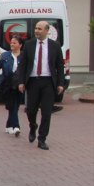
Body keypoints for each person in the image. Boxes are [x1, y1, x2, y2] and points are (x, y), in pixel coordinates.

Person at [15, 20, 65, 150]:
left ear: (47, 31)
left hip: (48, 82)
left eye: (40, 29)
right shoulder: (29, 45)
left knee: (46, 112)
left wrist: (60, 83)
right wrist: (21, 82)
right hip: (33, 82)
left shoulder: (55, 46)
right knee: (31, 110)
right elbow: (23, 65)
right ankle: (33, 126)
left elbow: (60, 66)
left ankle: (42, 139)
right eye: (36, 28)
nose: (36, 30)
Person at [0, 36, 24, 137]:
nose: (12, 44)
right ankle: (16, 126)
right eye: (11, 43)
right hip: (7, 84)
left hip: (19, 83)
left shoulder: (24, 56)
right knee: (12, 105)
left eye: (14, 43)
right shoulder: (5, 55)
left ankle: (8, 126)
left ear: (20, 45)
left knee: (16, 105)